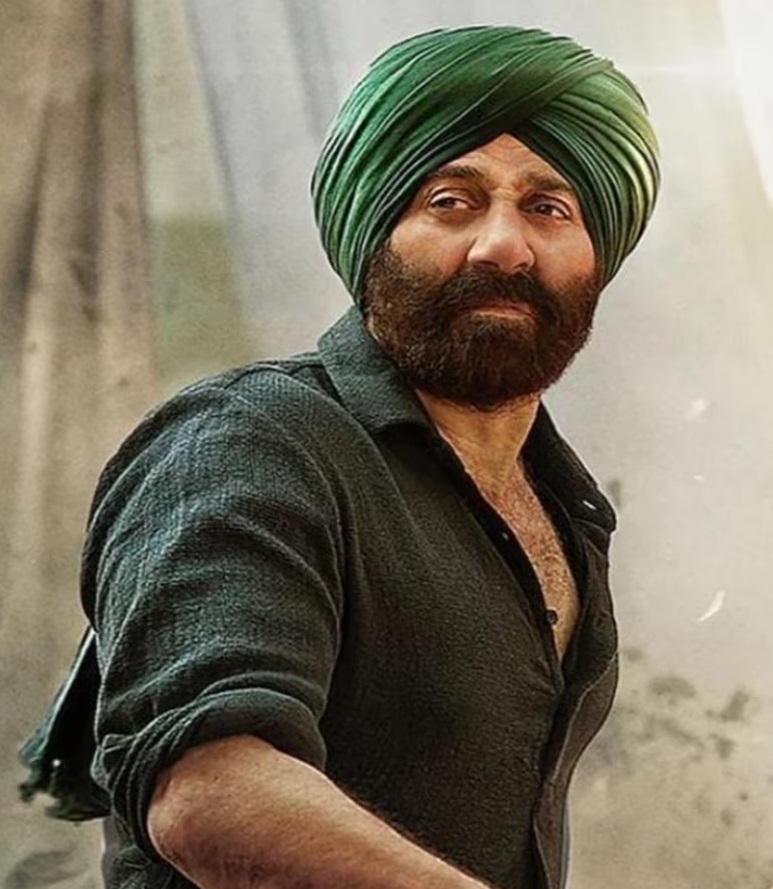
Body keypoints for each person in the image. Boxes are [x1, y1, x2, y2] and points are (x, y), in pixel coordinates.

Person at [46, 24, 660, 889]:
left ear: (597, 256)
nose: (501, 245)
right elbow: (210, 794)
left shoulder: (565, 504)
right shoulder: (252, 438)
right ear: (374, 233)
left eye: (548, 208)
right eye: (450, 201)